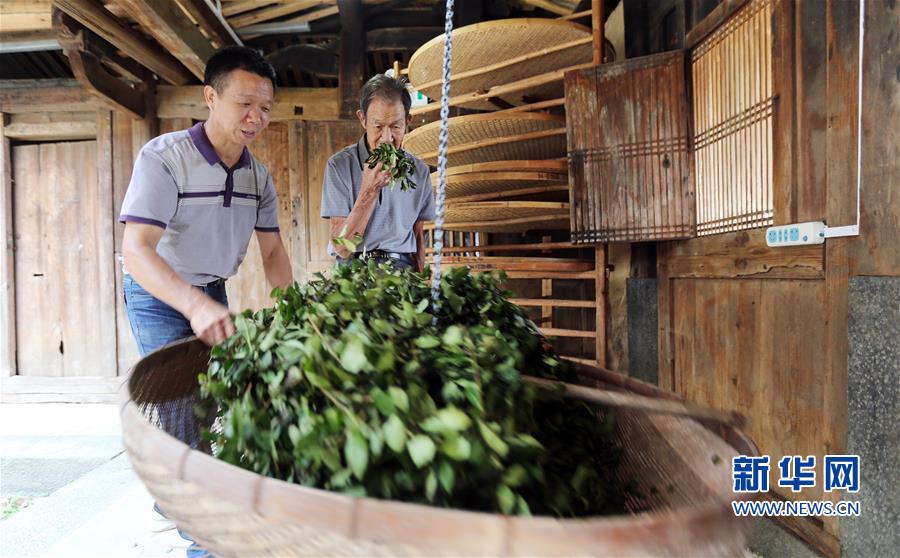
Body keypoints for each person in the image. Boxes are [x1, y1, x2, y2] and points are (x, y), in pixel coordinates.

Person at [118, 46, 292, 558]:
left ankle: (178, 496)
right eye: (244, 104)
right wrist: (192, 306)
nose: (255, 118)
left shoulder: (258, 177)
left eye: (264, 108)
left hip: (211, 291)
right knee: (180, 411)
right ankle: (205, 543)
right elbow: (137, 250)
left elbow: (275, 251)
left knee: (210, 402)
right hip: (159, 295)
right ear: (210, 97)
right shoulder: (164, 158)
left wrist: (294, 314)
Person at [320, 74, 435, 272]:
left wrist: (422, 282)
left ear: (408, 121)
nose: (387, 139)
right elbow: (342, 248)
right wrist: (369, 190)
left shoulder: (420, 172)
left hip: (402, 271)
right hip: (353, 270)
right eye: (378, 126)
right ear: (363, 119)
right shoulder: (338, 167)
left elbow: (418, 238)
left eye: (396, 126)